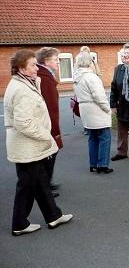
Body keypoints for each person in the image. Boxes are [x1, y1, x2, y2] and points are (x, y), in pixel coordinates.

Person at [4, 49, 73, 236]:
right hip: (27, 146)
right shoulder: (20, 89)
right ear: (21, 68)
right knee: (27, 185)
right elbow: (24, 123)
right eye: (33, 65)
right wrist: (46, 136)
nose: (37, 68)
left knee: (40, 182)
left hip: (30, 146)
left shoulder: (25, 83)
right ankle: (19, 223)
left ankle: (53, 216)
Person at [73, 51, 113, 174]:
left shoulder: (77, 77)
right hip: (96, 110)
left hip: (85, 109)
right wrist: (108, 109)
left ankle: (93, 163)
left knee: (93, 137)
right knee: (105, 137)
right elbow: (99, 96)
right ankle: (103, 164)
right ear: (89, 62)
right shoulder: (91, 77)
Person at [36, 47, 63, 197]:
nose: (58, 63)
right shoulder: (44, 77)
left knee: (50, 154)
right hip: (48, 123)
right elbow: (49, 105)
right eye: (55, 60)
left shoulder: (46, 75)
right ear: (46, 61)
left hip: (47, 122)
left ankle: (46, 183)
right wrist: (54, 128)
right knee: (49, 154)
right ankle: (44, 187)